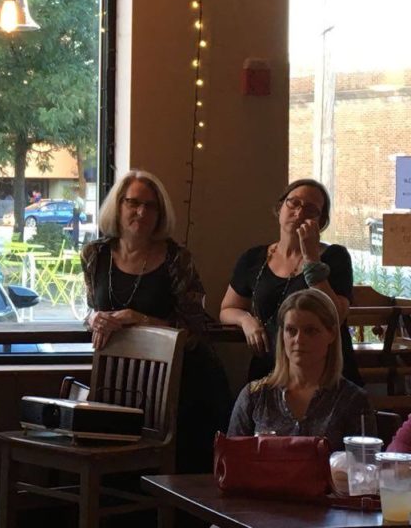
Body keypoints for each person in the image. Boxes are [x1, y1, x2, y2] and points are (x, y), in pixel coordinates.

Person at [82, 169, 231, 473]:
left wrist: (139, 319)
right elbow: (92, 310)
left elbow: (195, 331)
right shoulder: (94, 255)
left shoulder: (177, 259)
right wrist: (94, 318)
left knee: (180, 471)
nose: (141, 212)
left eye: (151, 206)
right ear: (118, 206)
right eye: (132, 203)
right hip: (122, 380)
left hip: (184, 381)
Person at [220, 178, 361, 384]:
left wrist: (312, 259)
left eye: (311, 210)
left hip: (324, 375)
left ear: (320, 223)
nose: (299, 212)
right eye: (293, 203)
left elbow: (336, 315)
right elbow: (227, 309)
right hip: (270, 372)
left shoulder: (334, 257)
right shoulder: (253, 258)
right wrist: (246, 321)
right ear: (280, 208)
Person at [228, 288, 373, 450]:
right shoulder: (254, 397)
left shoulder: (353, 400)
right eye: (291, 330)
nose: (299, 339)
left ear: (331, 334)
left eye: (310, 331)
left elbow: (364, 468)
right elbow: (232, 461)